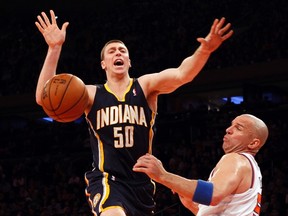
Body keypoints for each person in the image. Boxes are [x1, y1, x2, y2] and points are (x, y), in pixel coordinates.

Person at [35, 9, 233, 216]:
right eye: (111, 51)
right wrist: (55, 48)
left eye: (122, 50)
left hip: (142, 183)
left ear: (129, 61)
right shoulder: (91, 94)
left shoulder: (146, 86)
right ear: (103, 64)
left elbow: (182, 74)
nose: (118, 53)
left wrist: (205, 50)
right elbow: (44, 97)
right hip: (107, 179)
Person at [133, 114, 269, 215]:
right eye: (231, 124)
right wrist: (193, 206)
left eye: (238, 128)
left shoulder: (236, 159)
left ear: (253, 143)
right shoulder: (251, 168)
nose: (228, 129)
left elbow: (213, 194)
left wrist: (163, 176)